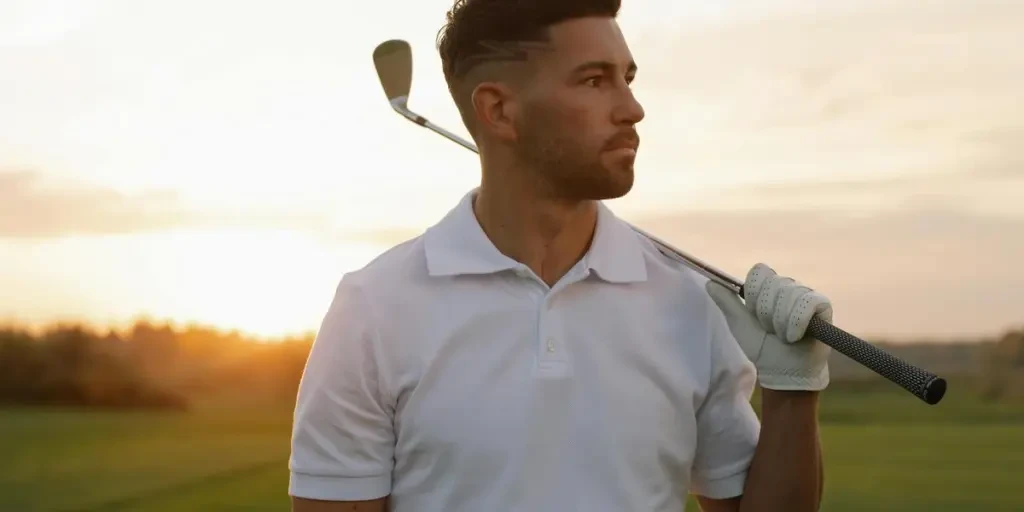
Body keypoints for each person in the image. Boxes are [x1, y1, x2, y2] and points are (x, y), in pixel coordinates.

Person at [288, 0, 833, 510]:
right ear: (498, 110)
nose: (633, 109)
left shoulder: (690, 303)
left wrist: (792, 391)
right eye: (595, 81)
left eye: (629, 78)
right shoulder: (373, 308)